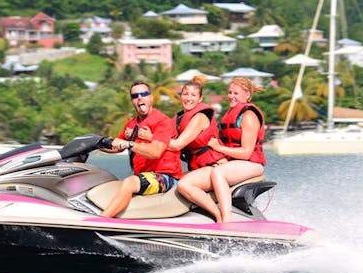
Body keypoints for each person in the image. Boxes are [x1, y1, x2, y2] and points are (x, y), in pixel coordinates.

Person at [137, 75, 228, 221]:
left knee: (184, 185)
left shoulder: (200, 117)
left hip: (214, 167)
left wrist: (151, 137)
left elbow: (178, 144)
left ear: (200, 99)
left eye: (193, 95)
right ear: (181, 96)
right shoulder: (179, 118)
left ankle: (219, 218)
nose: (188, 98)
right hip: (199, 169)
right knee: (167, 181)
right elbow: (164, 136)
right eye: (185, 94)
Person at [100, 80, 183, 218]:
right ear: (132, 101)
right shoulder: (132, 123)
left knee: (130, 182)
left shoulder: (162, 122)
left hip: (166, 177)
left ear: (151, 98)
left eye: (144, 94)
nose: (139, 98)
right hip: (145, 176)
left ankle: (101, 221)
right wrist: (97, 144)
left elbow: (156, 152)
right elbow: (117, 147)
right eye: (135, 96)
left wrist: (130, 144)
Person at [206, 77, 267, 222]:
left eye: (236, 93)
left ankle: (226, 221)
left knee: (218, 173)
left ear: (247, 95)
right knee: (189, 180)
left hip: (252, 164)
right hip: (234, 164)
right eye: (230, 92)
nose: (231, 96)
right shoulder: (231, 114)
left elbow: (246, 152)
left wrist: (219, 148)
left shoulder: (249, 116)